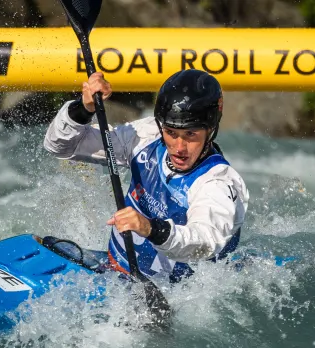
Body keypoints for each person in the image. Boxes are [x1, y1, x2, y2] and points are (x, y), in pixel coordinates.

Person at [43, 69, 249, 282]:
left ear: (211, 129)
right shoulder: (147, 136)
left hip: (173, 297)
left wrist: (150, 228)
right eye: (171, 132)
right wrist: (83, 110)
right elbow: (59, 147)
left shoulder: (218, 183)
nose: (179, 147)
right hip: (112, 271)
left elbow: (203, 243)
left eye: (191, 134)